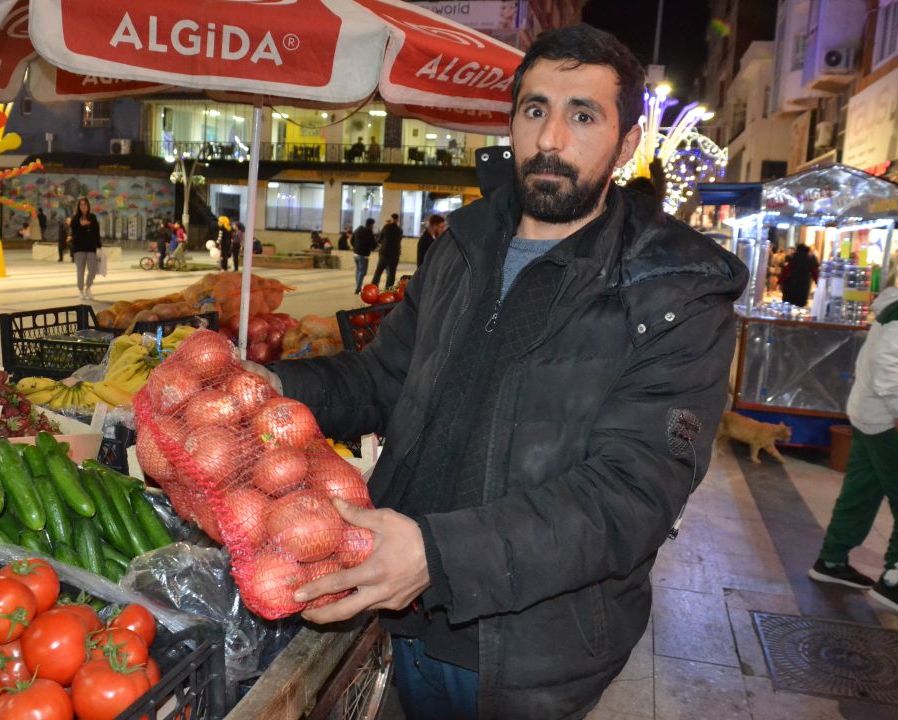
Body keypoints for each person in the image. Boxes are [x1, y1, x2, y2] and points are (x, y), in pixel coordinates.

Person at [254, 25, 746, 719]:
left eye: (583, 115)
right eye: (536, 109)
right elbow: (380, 381)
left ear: (627, 144)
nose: (550, 139)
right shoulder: (466, 242)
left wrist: (440, 555)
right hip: (395, 604)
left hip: (526, 655)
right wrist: (273, 387)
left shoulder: (674, 290)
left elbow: (629, 496)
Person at [809, 238, 898, 625]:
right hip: (890, 422)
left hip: (872, 414)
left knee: (862, 491)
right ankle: (897, 581)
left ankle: (832, 560)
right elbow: (888, 363)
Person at [69, 198, 101, 301]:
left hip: (91, 248)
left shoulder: (93, 217)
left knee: (92, 270)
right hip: (79, 248)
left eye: (85, 205)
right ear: (78, 206)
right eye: (81, 205)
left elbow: (96, 233)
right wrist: (82, 226)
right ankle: (81, 290)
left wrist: (99, 246)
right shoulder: (75, 219)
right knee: (80, 271)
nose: (83, 207)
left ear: (88, 206)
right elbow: (75, 235)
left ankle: (88, 288)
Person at [371, 213, 403, 288]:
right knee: (391, 273)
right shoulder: (399, 230)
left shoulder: (386, 227)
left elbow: (379, 240)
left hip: (384, 253)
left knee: (378, 271)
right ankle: (388, 289)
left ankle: (373, 287)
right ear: (398, 220)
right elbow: (399, 240)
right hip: (394, 254)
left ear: (391, 219)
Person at [350, 218, 377, 294]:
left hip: (355, 254)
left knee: (359, 271)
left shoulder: (358, 230)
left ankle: (358, 286)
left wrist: (355, 247)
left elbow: (352, 240)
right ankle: (358, 289)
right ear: (371, 225)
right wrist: (373, 247)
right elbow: (373, 243)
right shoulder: (369, 232)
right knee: (362, 272)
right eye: (373, 225)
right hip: (363, 255)